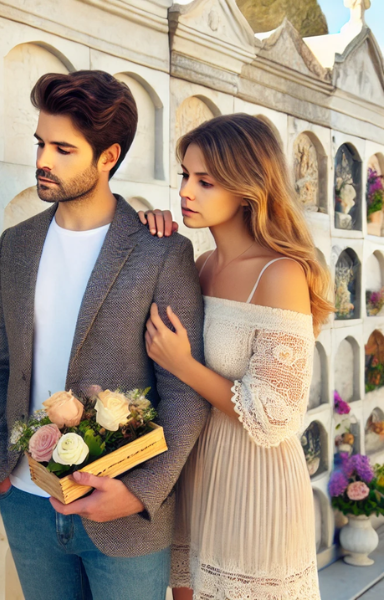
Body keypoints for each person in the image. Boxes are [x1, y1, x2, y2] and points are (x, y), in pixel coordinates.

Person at [0, 70, 209, 600]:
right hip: (28, 504)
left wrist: (140, 491)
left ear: (108, 157)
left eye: (63, 149)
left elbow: (184, 392)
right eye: (40, 143)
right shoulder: (15, 244)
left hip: (123, 515)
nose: (42, 161)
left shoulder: (160, 252)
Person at [139, 113, 331, 600]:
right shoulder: (199, 264)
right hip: (197, 468)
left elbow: (275, 415)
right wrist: (149, 240)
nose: (186, 191)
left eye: (205, 181)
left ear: (248, 187)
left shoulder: (280, 273)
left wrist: (184, 364)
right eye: (185, 175)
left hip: (255, 482)